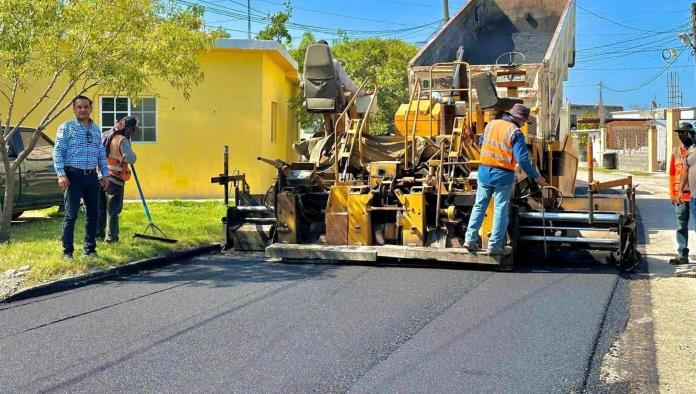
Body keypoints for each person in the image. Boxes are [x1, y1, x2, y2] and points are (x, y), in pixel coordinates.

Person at [464, 103, 546, 254]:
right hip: (502, 174)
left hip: (483, 171)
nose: (523, 125)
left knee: (479, 205)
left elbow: (481, 142)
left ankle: (469, 239)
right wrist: (537, 176)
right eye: (523, 122)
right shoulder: (515, 132)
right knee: (500, 208)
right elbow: (522, 159)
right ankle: (494, 245)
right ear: (519, 119)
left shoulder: (491, 124)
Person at [53, 95, 110, 259]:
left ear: (91, 108)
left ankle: (90, 250)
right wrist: (61, 174)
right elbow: (58, 152)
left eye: (86, 107)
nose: (83, 110)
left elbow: (100, 154)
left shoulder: (95, 129)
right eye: (79, 107)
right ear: (74, 109)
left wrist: (104, 175)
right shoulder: (66, 128)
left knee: (93, 214)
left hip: (91, 176)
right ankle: (67, 252)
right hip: (73, 175)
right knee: (71, 215)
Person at [97, 116, 138, 243]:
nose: (133, 133)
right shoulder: (121, 140)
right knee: (113, 210)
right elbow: (131, 158)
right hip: (114, 179)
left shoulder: (104, 135)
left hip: (99, 177)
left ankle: (97, 235)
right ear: (129, 128)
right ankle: (111, 238)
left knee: (100, 209)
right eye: (133, 130)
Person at [669, 122, 694, 265]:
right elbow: (672, 174)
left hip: (694, 194)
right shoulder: (676, 151)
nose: (680, 135)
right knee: (681, 226)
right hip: (681, 196)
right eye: (679, 133)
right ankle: (682, 254)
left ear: (691, 134)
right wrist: (673, 194)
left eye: (683, 133)